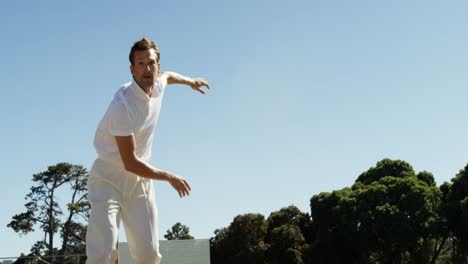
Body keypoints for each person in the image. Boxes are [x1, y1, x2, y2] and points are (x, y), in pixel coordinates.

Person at [85, 37, 210, 264]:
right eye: (140, 64)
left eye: (151, 63)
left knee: (148, 255)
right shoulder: (122, 105)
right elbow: (129, 162)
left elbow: (169, 76)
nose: (147, 68)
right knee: (103, 251)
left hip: (139, 182)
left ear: (157, 66)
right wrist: (169, 176)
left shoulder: (158, 84)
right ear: (132, 70)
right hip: (107, 179)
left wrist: (190, 81)